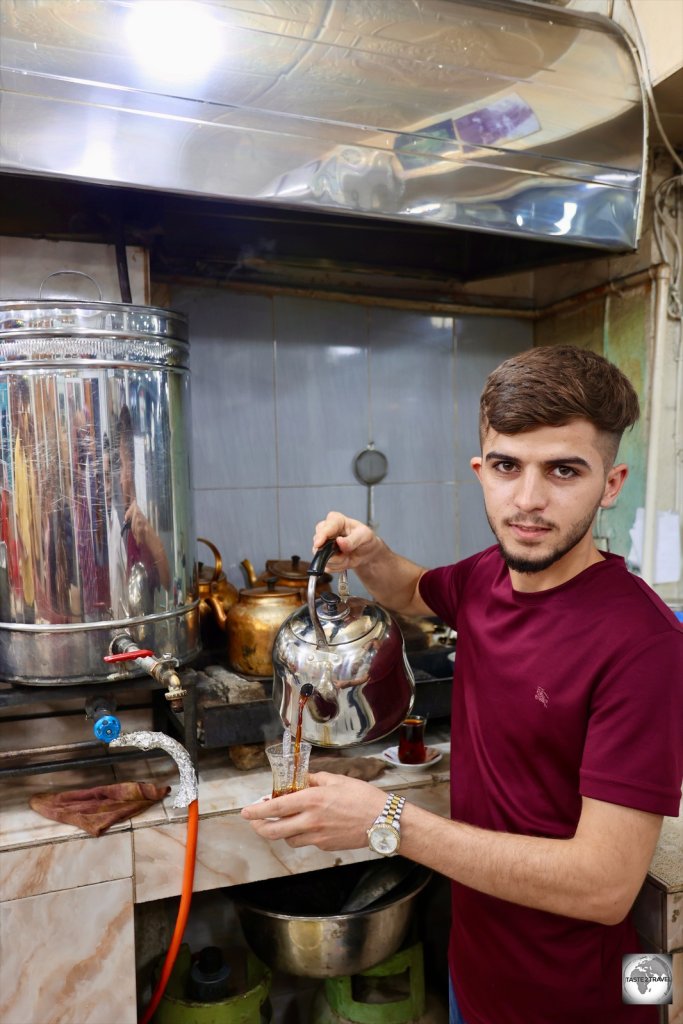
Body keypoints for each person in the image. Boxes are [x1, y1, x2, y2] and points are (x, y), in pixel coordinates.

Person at [242, 345, 683, 1024]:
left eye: (563, 470)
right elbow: (414, 592)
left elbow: (603, 885)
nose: (527, 500)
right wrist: (372, 554)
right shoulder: (485, 577)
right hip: (473, 975)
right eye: (507, 467)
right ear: (481, 470)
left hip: (571, 1000)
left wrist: (383, 821)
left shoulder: (643, 645)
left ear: (611, 481)